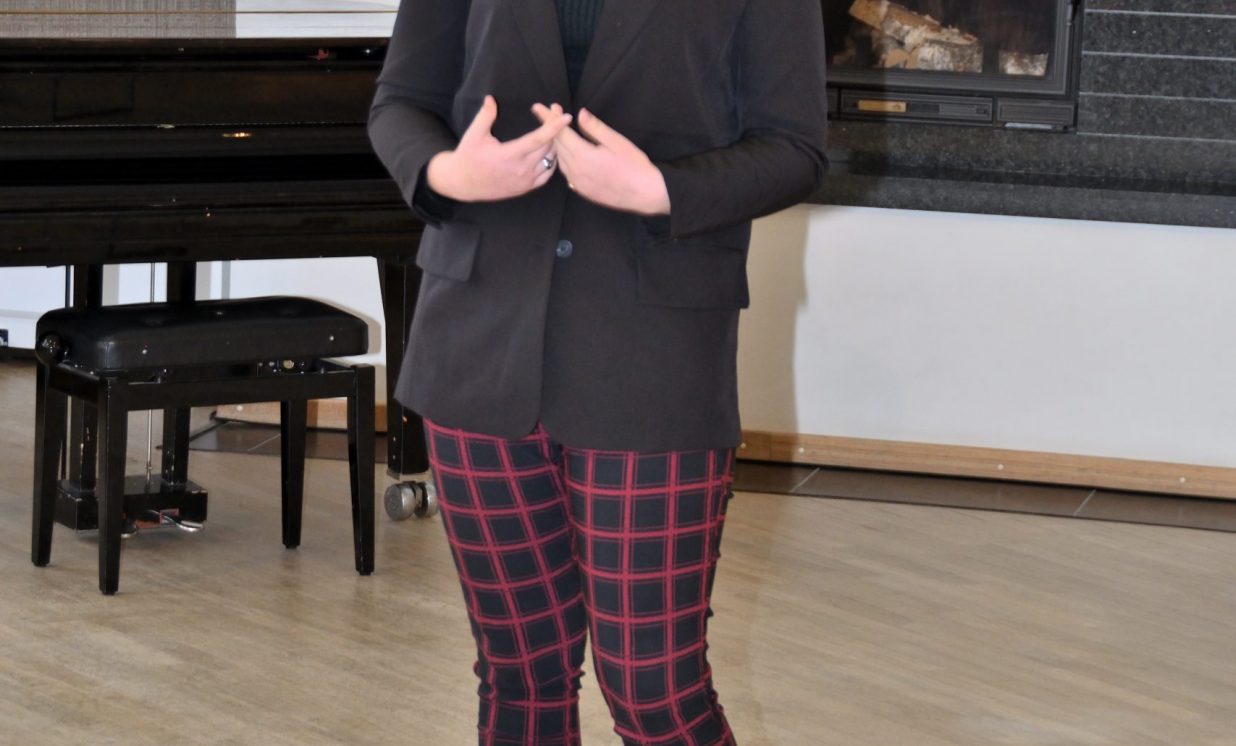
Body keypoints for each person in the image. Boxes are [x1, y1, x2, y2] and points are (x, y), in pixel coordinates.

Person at [369, 0, 827, 743]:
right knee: (520, 678)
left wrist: (663, 191)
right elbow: (400, 102)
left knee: (657, 694)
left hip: (655, 354)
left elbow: (796, 146)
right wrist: (446, 171)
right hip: (477, 343)